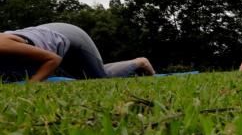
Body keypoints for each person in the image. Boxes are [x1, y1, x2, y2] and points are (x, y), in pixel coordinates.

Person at [1, 22, 154, 83]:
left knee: (98, 80)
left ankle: (140, 62)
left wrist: (32, 85)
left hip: (69, 36)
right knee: (85, 78)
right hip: (50, 37)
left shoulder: (2, 46)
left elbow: (52, 59)